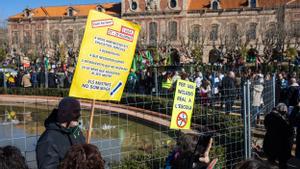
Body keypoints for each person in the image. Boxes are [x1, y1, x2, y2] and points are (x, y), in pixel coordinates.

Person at [36, 97, 86, 169]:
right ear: (63, 114)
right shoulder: (48, 140)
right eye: (75, 113)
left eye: (78, 112)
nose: (78, 116)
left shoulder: (75, 130)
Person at [263, 103, 294, 169]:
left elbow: (266, 126)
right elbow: (290, 135)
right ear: (284, 112)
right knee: (282, 163)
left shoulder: (268, 117)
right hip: (282, 147)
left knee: (270, 162)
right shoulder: (285, 122)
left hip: (270, 144)